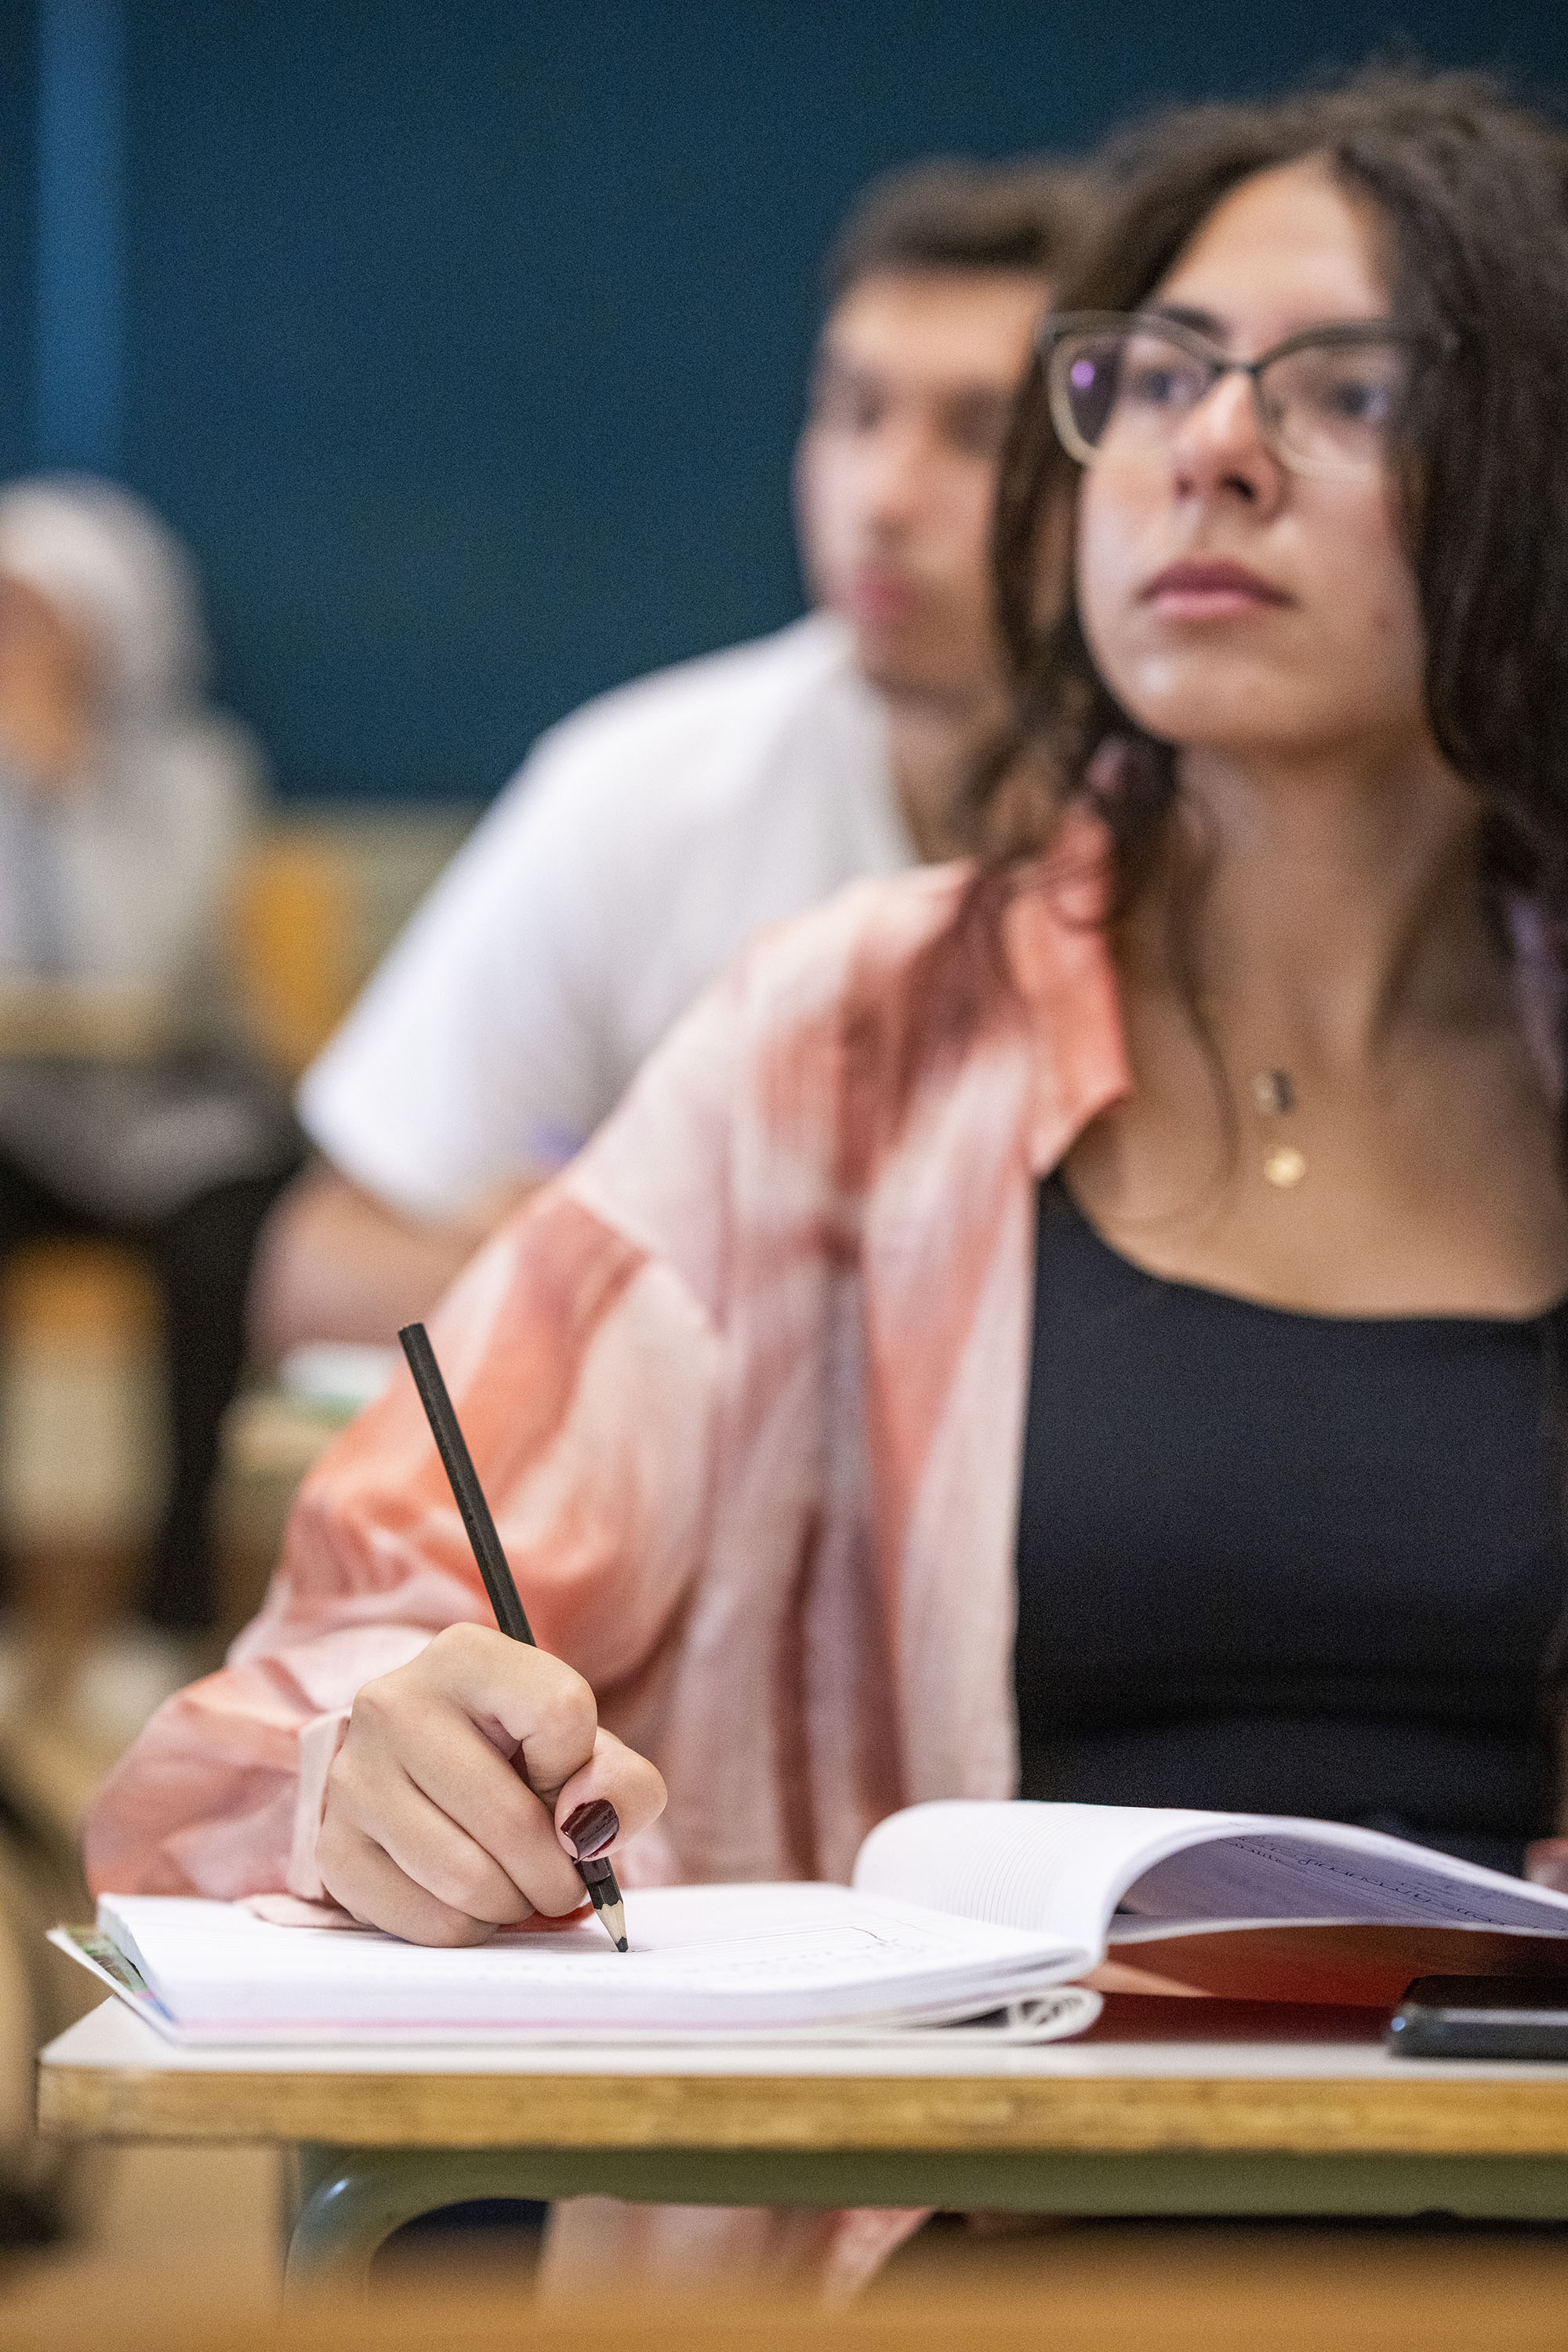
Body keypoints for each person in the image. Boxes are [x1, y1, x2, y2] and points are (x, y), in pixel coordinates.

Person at [86, 68, 1568, 2290]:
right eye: (1154, 376)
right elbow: (326, 1666)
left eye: (1346, 388)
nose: (1212, 447)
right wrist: (383, 1765)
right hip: (971, 2247)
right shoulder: (851, 1036)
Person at [249, 158, 1094, 1357]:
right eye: (853, 412)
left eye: (979, 433)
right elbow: (319, 1268)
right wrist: (599, 1288)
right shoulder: (643, 787)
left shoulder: (1232, 824)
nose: (884, 493)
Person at [0, 478, 300, 1725]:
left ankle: (167, 1607)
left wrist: (63, 787)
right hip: (34, 1120)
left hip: (184, 1123)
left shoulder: (199, 772)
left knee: (221, 1256)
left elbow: (141, 973)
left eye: (35, 616)